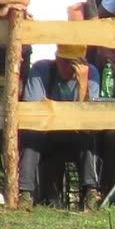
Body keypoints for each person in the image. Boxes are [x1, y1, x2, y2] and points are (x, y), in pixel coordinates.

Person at [16, 44, 102, 210]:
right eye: (64, 61)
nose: (68, 67)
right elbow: (34, 112)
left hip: (77, 133)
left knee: (87, 136)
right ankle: (25, 193)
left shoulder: (92, 73)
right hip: (46, 132)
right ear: (56, 58)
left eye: (73, 63)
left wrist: (83, 84)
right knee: (31, 134)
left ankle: (90, 192)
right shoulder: (42, 69)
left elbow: (87, 121)